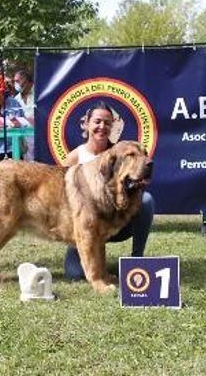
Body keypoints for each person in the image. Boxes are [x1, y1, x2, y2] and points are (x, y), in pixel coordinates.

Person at [60, 101, 154, 280]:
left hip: (115, 224)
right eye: (97, 121)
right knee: (75, 274)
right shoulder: (75, 156)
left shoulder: (120, 152)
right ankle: (92, 257)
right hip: (84, 227)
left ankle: (137, 260)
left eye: (107, 123)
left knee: (147, 200)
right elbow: (61, 196)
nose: (102, 127)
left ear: (112, 126)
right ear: (86, 124)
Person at [13, 69, 35, 160]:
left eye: (17, 81)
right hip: (23, 136)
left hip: (39, 134)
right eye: (14, 82)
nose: (15, 84)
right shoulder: (16, 99)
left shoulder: (40, 94)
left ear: (26, 81)